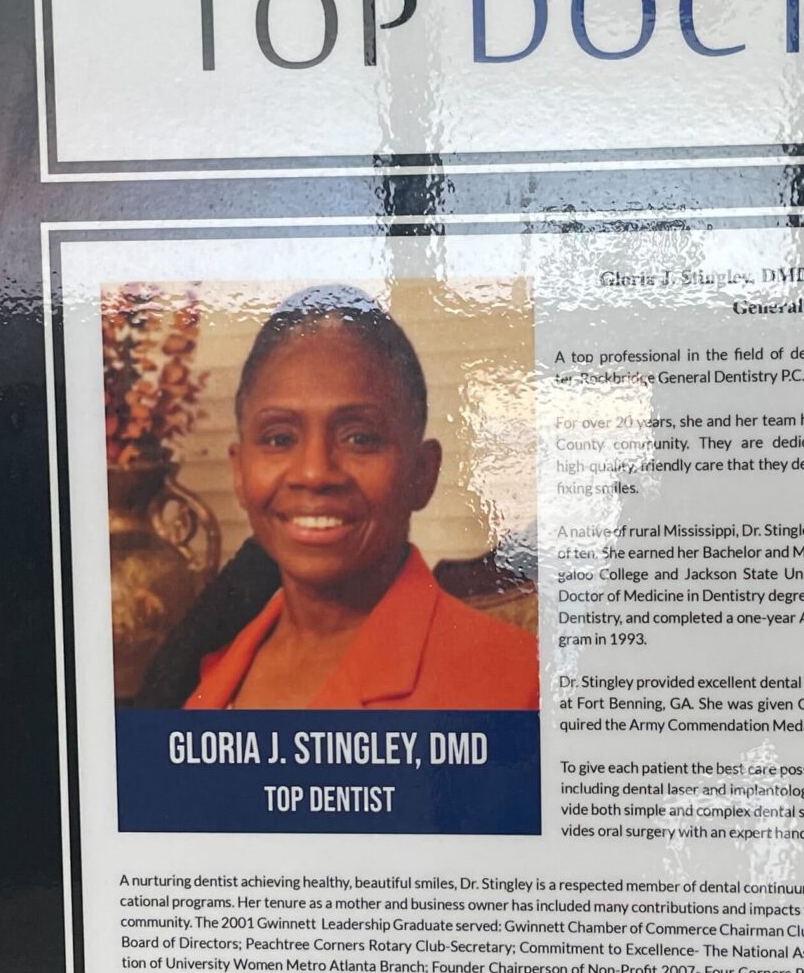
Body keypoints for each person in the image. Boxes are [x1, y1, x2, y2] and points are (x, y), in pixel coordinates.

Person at [143, 286, 537, 713]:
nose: (314, 473)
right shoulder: (207, 674)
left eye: (360, 438)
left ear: (422, 473)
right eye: (279, 438)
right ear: (239, 473)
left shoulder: (519, 687)